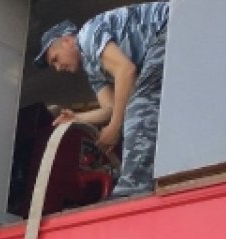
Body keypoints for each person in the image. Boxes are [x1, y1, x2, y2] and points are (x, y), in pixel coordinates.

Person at [36, 2, 169, 198]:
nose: (57, 67)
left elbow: (126, 70)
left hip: (170, 26)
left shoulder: (88, 35)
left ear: (67, 41)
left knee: (140, 104)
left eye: (55, 59)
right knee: (135, 106)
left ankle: (135, 184)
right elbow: (110, 108)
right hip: (164, 40)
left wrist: (114, 127)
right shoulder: (93, 69)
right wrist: (77, 119)